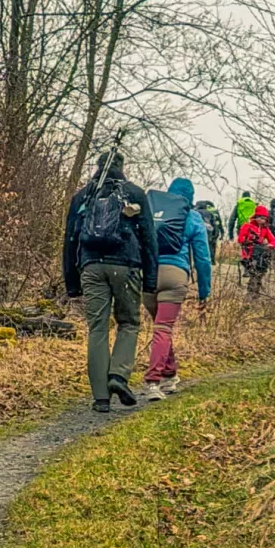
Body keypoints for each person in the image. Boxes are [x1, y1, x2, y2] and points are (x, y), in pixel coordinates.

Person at [63, 147, 158, 412]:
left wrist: (72, 282)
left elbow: (70, 239)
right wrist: (151, 280)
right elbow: (149, 239)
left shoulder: (83, 196)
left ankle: (101, 398)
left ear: (98, 166)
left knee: (97, 329)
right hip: (126, 267)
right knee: (128, 323)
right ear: (122, 166)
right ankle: (118, 375)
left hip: (91, 268)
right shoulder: (135, 194)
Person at [140, 178, 213, 404]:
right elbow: (202, 258)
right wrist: (204, 291)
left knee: (161, 327)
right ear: (190, 197)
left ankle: (170, 375)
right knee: (163, 329)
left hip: (148, 274)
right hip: (175, 275)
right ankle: (154, 382)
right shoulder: (192, 218)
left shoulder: (153, 211)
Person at [237, 204, 275, 297]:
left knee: (259, 274)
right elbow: (240, 239)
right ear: (256, 217)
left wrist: (269, 245)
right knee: (254, 274)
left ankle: (254, 293)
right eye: (261, 218)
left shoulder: (265, 229)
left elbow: (274, 241)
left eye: (264, 219)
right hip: (248, 254)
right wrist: (248, 240)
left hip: (260, 255)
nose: (262, 220)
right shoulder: (247, 226)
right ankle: (251, 293)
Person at [198, 198, 224, 263]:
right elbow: (218, 222)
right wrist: (221, 232)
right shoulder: (214, 211)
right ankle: (212, 260)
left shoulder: (196, 211)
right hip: (213, 230)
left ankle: (203, 260)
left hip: (201, 231)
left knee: (202, 245)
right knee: (212, 245)